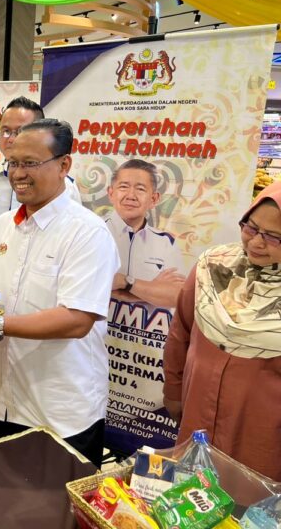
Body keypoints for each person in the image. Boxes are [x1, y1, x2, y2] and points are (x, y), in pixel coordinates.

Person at [0, 119, 120, 468]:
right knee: (11, 492)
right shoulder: (5, 225)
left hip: (62, 410)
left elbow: (77, 320)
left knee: (62, 500)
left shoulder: (87, 233)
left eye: (30, 163)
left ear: (64, 165)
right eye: (13, 162)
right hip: (7, 400)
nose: (18, 173)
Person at [163, 183, 281, 481]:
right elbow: (181, 332)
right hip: (197, 413)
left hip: (262, 434)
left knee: (249, 501)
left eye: (273, 237)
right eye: (251, 227)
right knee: (189, 492)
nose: (256, 242)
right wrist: (173, 391)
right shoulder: (212, 267)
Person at [0, 97, 81, 231]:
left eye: (21, 131)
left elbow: (73, 229)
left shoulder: (65, 186)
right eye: (6, 131)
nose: (11, 139)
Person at [105, 159, 185, 308]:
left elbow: (177, 297)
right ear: (111, 193)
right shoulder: (92, 232)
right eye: (123, 187)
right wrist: (153, 290)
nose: (131, 195)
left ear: (154, 199)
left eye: (140, 189)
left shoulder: (166, 242)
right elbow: (84, 285)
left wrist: (125, 282)